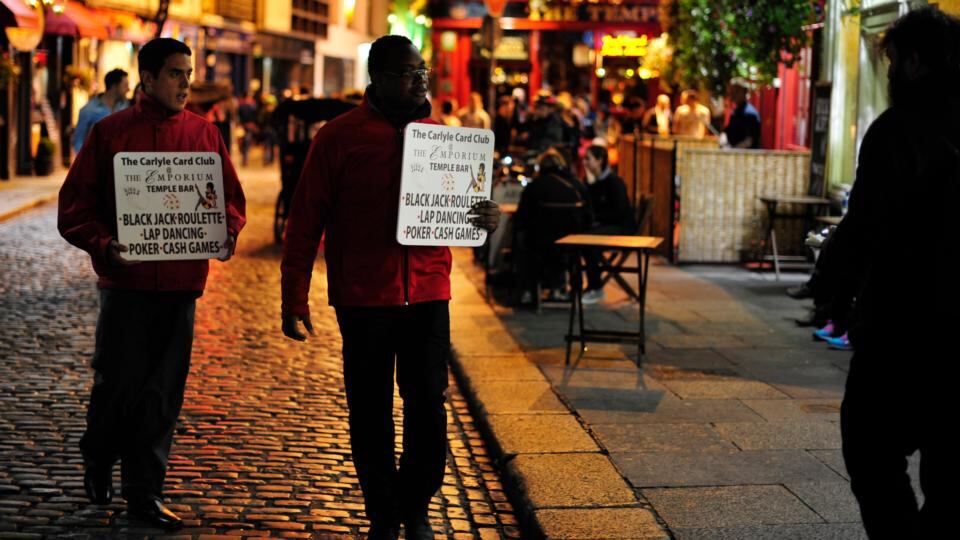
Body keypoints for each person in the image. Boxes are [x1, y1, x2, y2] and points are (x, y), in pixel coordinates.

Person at [279, 34, 500, 540]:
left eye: (423, 71)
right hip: (363, 299)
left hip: (428, 293)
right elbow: (305, 219)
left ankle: (415, 506)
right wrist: (294, 295)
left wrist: (486, 217)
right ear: (377, 78)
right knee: (369, 411)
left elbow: (465, 209)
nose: (420, 80)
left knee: (428, 407)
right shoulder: (338, 137)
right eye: (407, 73)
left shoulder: (444, 139)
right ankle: (383, 513)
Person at [57, 38, 246, 530]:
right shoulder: (109, 132)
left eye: (189, 73)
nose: (186, 83)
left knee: (162, 395)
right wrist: (104, 245)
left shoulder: (204, 134)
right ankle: (99, 454)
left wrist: (226, 231)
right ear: (148, 78)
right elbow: (74, 208)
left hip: (181, 287)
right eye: (176, 73)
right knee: (117, 385)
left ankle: (145, 493)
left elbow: (230, 201)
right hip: (126, 286)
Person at [828, 8, 960, 537]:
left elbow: (866, 222)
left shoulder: (899, 129)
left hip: (904, 325)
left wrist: (835, 286)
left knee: (870, 448)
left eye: (893, 62)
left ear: (914, 62)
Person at [513, 148, 591, 305]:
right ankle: (563, 287)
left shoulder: (535, 187)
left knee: (520, 239)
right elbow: (589, 216)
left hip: (540, 243)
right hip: (572, 243)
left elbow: (521, 218)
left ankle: (527, 289)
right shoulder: (577, 185)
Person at [580, 144, 635, 303]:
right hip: (606, 225)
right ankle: (587, 285)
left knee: (588, 242)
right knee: (581, 238)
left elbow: (619, 213)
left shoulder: (614, 182)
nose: (584, 162)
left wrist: (596, 220)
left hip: (621, 228)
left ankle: (596, 287)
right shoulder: (591, 181)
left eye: (588, 159)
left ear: (600, 160)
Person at [73, 68, 130, 154]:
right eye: (125, 85)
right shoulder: (89, 110)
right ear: (114, 86)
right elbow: (78, 141)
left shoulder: (125, 106)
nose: (128, 89)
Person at [723, 83, 760, 148]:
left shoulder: (750, 114)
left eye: (737, 91)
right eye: (732, 92)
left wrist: (732, 149)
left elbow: (750, 141)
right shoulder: (735, 112)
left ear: (744, 92)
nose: (733, 95)